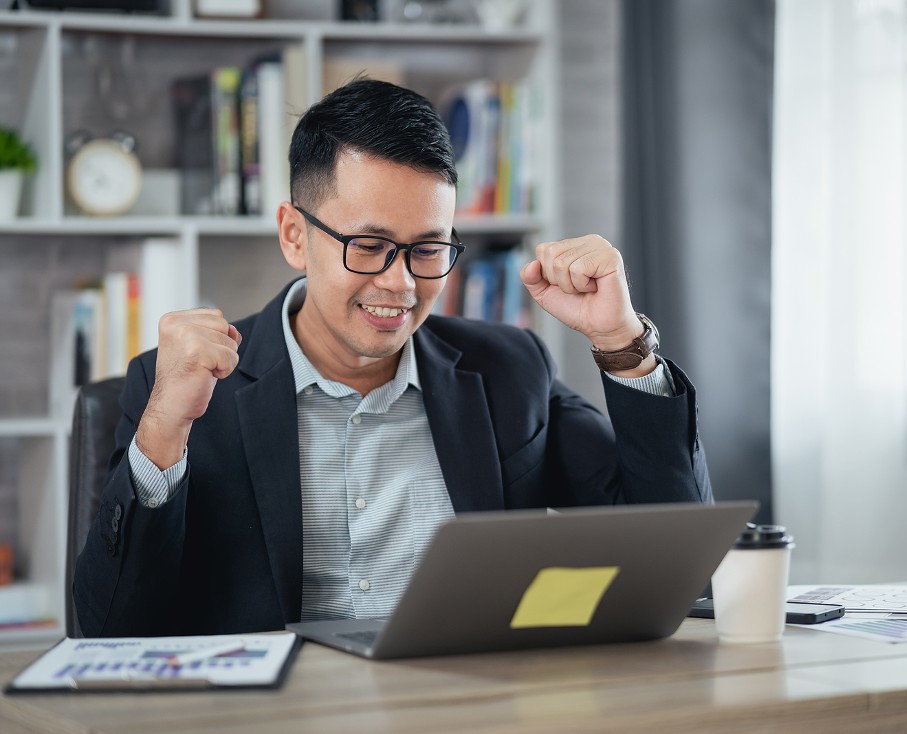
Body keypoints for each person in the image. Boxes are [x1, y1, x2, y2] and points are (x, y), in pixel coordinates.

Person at [73, 79, 713, 637]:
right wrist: (162, 433)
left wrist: (621, 345)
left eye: (428, 249)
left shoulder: (508, 371)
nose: (402, 284)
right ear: (296, 235)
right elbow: (115, 632)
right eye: (371, 245)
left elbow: (671, 561)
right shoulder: (182, 391)